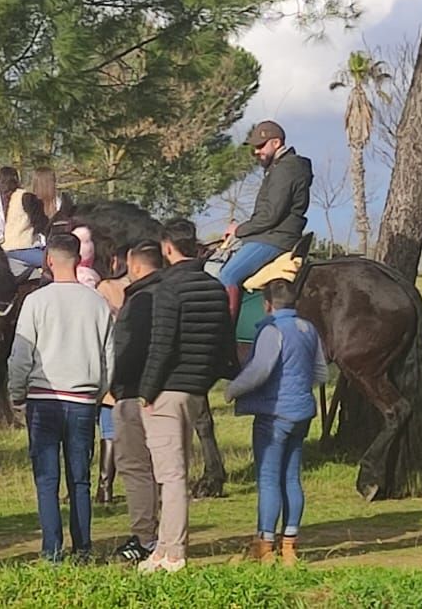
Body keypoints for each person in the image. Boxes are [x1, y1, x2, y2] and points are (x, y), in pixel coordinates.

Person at [7, 232, 114, 563]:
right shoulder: (98, 303)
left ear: (48, 261)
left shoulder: (36, 302)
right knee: (80, 478)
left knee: (46, 479)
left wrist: (16, 393)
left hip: (44, 398)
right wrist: (97, 393)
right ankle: (83, 548)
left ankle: (51, 551)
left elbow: (21, 355)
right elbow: (110, 358)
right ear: (80, 258)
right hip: (82, 400)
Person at [137, 218, 234, 573]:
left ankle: (172, 552)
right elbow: (224, 342)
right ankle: (165, 546)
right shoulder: (215, 287)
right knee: (176, 470)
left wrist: (147, 390)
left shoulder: (168, 288)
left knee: (171, 474)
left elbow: (161, 345)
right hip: (196, 389)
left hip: (167, 389)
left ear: (166, 247)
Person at [223, 278, 328, 566]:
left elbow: (259, 370)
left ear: (266, 303)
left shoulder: (272, 330)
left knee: (268, 479)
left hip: (274, 414)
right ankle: (290, 546)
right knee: (292, 477)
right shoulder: (309, 329)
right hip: (302, 411)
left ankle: (266, 545)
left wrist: (232, 390)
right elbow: (321, 372)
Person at [216, 121, 313, 312]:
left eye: (260, 146)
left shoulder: (285, 169)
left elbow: (270, 215)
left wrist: (238, 230)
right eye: (254, 147)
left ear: (276, 143)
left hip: (274, 238)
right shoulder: (281, 168)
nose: (256, 152)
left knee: (227, 275)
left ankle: (223, 333)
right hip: (272, 235)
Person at [107, 239, 164, 562]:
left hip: (134, 393)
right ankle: (166, 533)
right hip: (168, 392)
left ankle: (145, 537)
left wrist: (117, 385)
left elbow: (126, 348)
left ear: (136, 265)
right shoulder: (171, 295)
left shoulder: (140, 299)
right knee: (167, 466)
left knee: (135, 465)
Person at [3, 167, 64, 269]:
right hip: (21, 248)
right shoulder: (29, 198)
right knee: (59, 263)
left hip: (16, 247)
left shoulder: (17, 195)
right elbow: (42, 226)